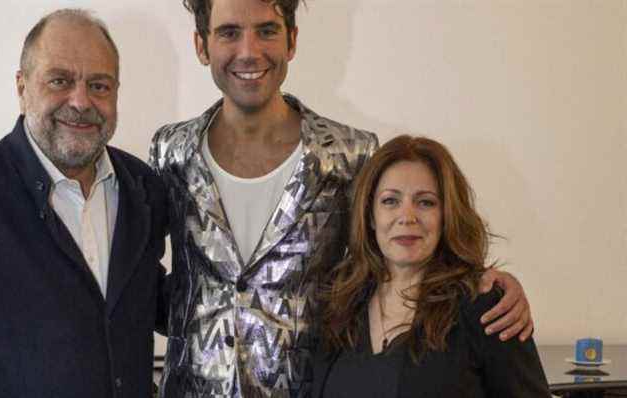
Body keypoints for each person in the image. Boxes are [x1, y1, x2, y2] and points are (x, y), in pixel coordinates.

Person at [150, 0, 533, 396]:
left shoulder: (351, 155)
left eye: (266, 31)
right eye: (229, 32)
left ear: (292, 41)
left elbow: (399, 255)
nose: (249, 51)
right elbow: (142, 277)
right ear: (201, 45)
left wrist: (490, 284)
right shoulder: (170, 151)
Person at [0, 9, 167, 397]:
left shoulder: (143, 190)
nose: (80, 101)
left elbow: (151, 305)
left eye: (100, 85)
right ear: (22, 88)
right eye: (59, 80)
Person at [312, 135, 549, 397]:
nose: (407, 217)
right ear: (370, 216)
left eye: (425, 202)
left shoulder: (485, 306)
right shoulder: (340, 305)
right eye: (390, 201)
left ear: (447, 215)